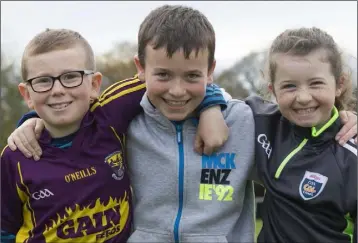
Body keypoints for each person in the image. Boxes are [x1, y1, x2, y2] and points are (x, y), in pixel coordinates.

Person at [5, 5, 358, 243]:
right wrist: (31, 120)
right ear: (139, 70)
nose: (176, 90)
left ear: (211, 71)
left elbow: (304, 117)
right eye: (162, 75)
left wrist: (345, 118)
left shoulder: (247, 121)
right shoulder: (122, 121)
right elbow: (68, 112)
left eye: (192, 76)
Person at [0, 28, 229, 243]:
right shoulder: (15, 157)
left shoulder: (109, 115)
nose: (58, 89)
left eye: (71, 77)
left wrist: (210, 107)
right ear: (26, 94)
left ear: (94, 85)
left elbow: (179, 74)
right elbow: (4, 230)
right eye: (43, 81)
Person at [245, 27, 357, 242]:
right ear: (273, 89)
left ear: (339, 85)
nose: (303, 97)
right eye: (289, 86)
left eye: (316, 83)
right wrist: (211, 109)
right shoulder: (261, 123)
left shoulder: (351, 155)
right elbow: (207, 94)